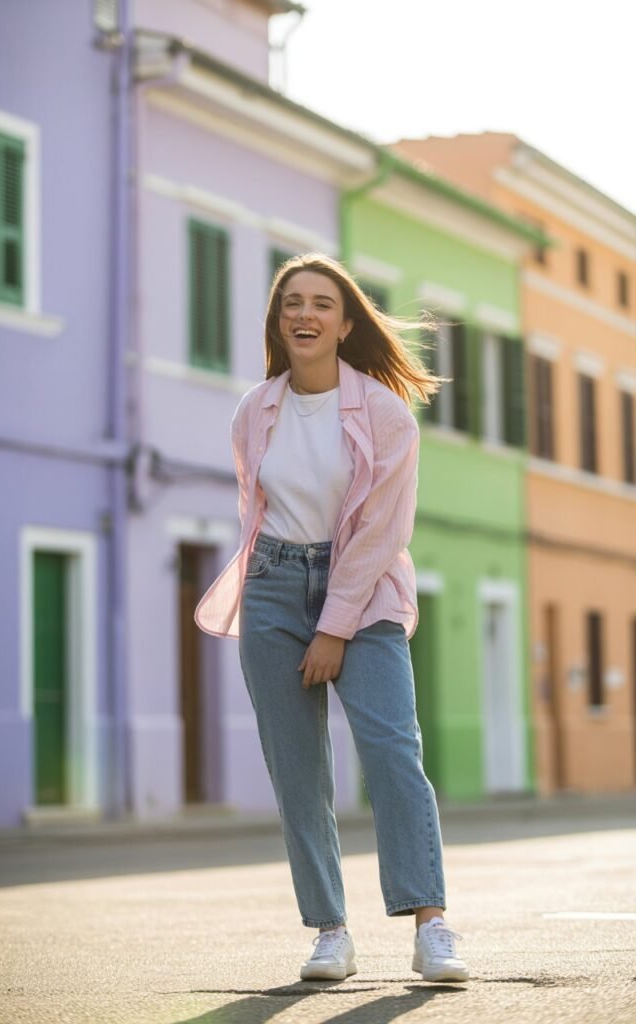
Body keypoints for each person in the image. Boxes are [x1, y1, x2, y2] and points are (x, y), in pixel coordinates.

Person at [194, 252, 469, 984]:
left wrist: (333, 626)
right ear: (277, 321)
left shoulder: (384, 413)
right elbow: (257, 509)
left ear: (346, 324)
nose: (304, 315)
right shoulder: (255, 410)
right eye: (292, 303)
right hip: (274, 585)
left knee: (392, 754)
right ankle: (330, 931)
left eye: (321, 304)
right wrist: (286, 595)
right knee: (297, 769)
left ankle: (431, 924)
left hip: (365, 591)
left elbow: (382, 530)